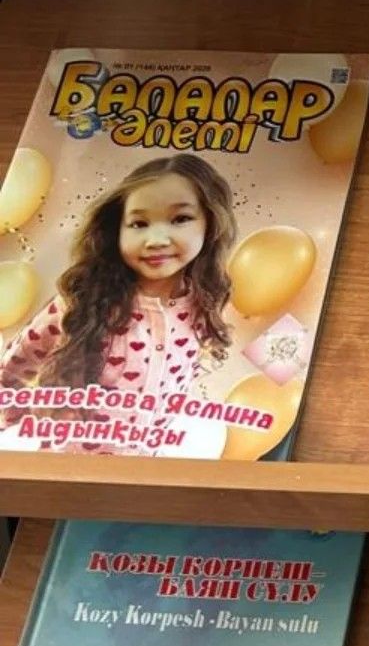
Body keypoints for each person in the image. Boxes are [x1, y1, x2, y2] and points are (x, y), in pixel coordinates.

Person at [0, 154, 236, 455]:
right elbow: (9, 374)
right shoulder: (80, 302)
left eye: (180, 219)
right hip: (67, 470)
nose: (156, 239)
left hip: (141, 473)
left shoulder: (201, 305)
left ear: (211, 224)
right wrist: (23, 433)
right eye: (139, 223)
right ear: (117, 230)